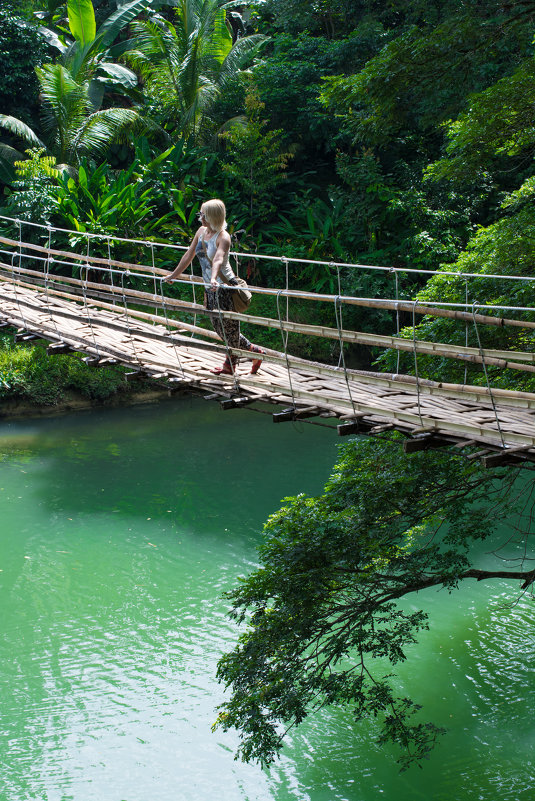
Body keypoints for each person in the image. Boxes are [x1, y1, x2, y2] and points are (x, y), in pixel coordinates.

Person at [164, 199, 263, 375]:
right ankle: (255, 353)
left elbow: (218, 258)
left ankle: (230, 365)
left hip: (225, 287)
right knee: (219, 328)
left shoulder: (223, 237)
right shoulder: (201, 232)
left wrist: (214, 278)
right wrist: (173, 275)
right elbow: (189, 254)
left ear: (212, 216)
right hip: (210, 286)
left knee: (229, 328)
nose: (200, 217)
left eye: (202, 214)